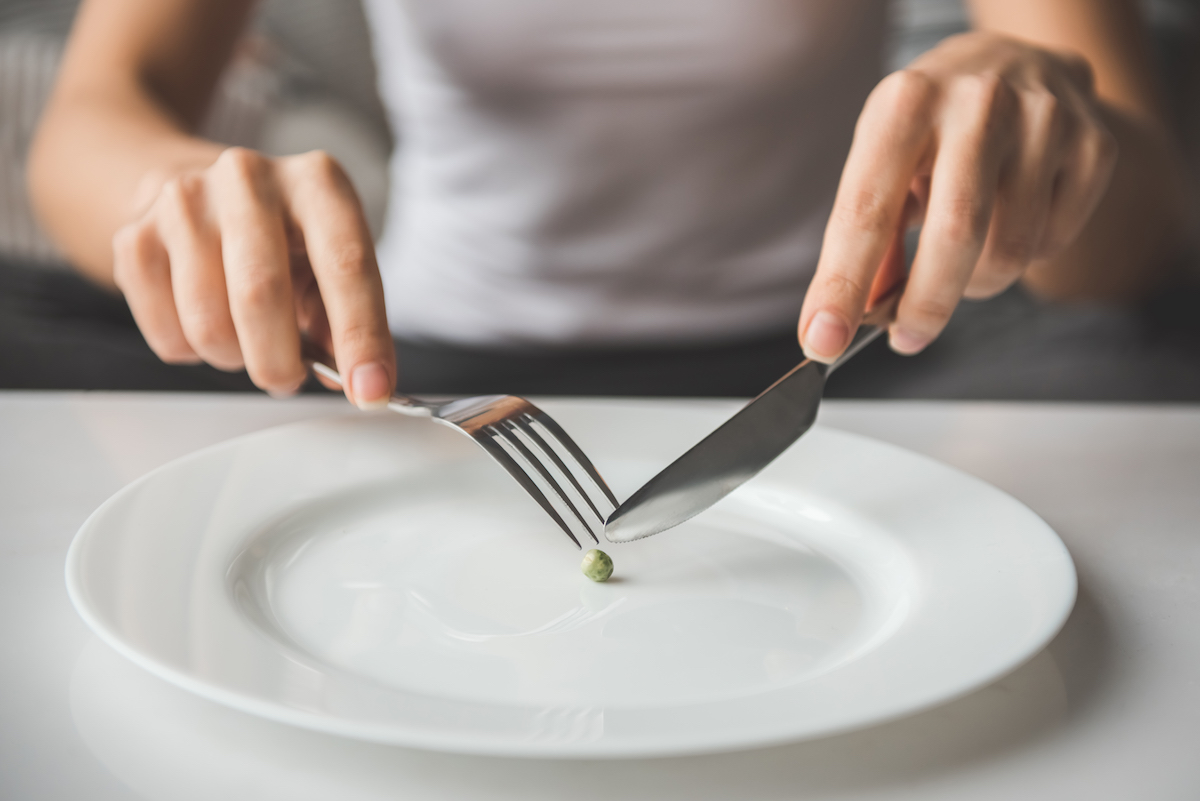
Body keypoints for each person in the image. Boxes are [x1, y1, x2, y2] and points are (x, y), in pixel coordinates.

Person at [27, 0, 1188, 407]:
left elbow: (1133, 246)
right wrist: (172, 194)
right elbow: (91, 115)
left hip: (832, 376)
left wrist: (1051, 138)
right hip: (427, 375)